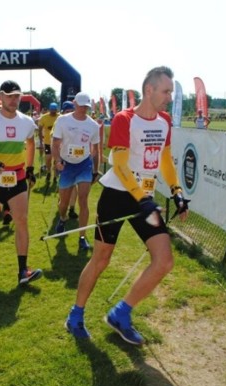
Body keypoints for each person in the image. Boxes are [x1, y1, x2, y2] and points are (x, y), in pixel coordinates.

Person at [65, 66, 189, 345]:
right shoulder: (124, 119)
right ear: (149, 90)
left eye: (171, 91)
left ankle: (121, 313)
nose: (169, 96)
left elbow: (165, 159)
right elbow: (119, 164)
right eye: (166, 91)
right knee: (101, 259)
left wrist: (176, 191)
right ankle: (76, 314)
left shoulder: (165, 121)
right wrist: (142, 198)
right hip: (118, 195)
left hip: (143, 199)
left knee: (164, 260)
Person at [0, 80, 42, 286]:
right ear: (1, 96)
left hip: (17, 177)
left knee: (21, 220)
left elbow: (30, 144)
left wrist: (29, 168)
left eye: (17, 96)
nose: (14, 100)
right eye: (10, 96)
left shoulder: (27, 122)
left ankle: (23, 270)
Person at [52, 92, 101, 251]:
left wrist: (95, 169)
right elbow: (55, 143)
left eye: (86, 106)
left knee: (83, 200)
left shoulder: (93, 125)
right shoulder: (63, 120)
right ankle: (62, 218)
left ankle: (82, 237)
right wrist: (57, 161)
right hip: (66, 165)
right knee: (64, 203)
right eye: (81, 106)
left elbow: (96, 149)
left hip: (84, 165)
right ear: (74, 104)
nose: (83, 109)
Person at [38, 102, 60, 184]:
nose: (53, 112)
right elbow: (39, 130)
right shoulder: (44, 117)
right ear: (49, 109)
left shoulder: (60, 117)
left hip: (57, 143)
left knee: (56, 160)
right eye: (51, 110)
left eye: (54, 110)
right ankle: (48, 172)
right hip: (47, 143)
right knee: (48, 159)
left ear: (56, 110)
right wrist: (41, 142)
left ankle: (55, 176)